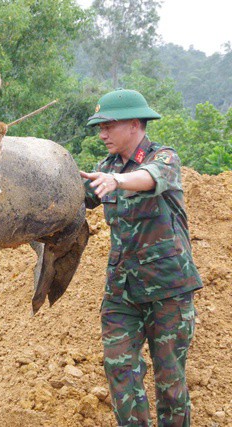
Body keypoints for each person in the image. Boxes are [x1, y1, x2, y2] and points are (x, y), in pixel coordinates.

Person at [80, 89, 201, 427]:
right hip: (122, 292)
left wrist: (116, 181)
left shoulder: (163, 159)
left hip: (168, 292)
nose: (102, 134)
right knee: (119, 371)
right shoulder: (106, 168)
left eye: (109, 126)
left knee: (170, 384)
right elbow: (76, 196)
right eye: (99, 127)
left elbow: (147, 179)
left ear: (134, 125)